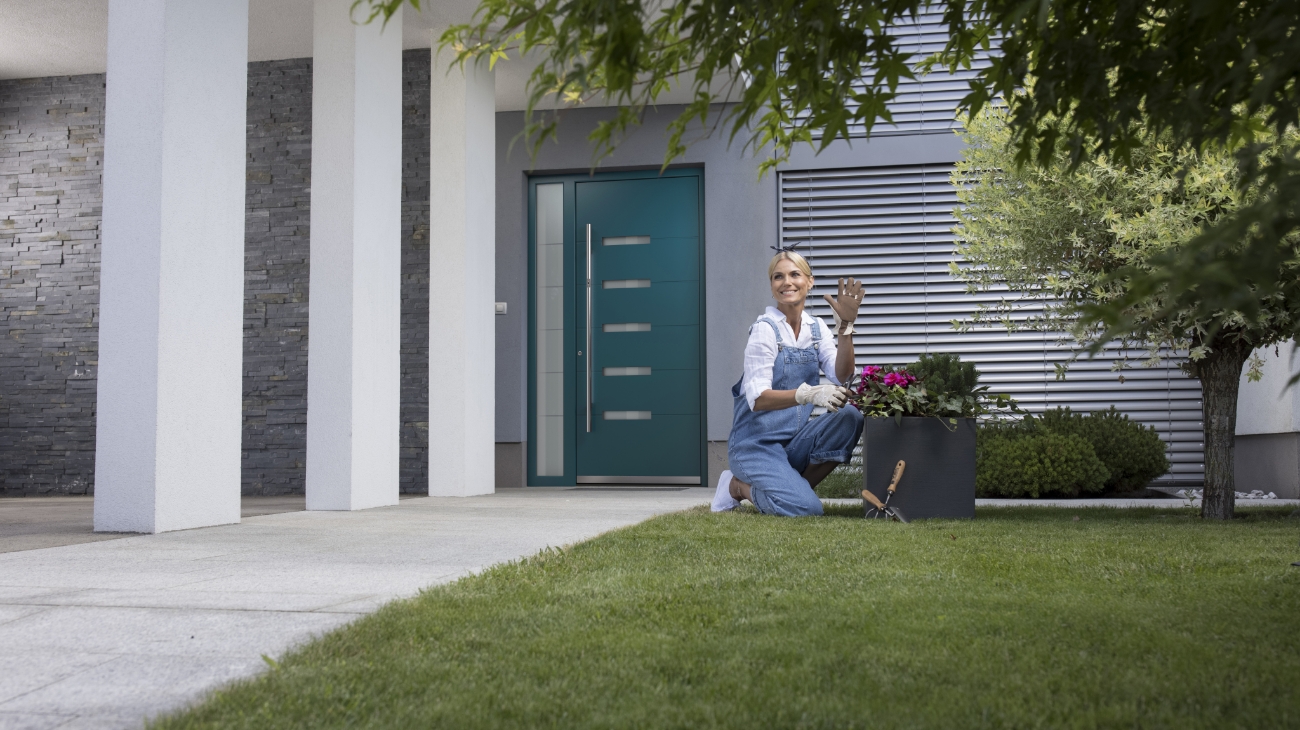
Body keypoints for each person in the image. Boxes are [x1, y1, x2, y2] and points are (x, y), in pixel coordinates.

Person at [712, 248, 865, 516]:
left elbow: (842, 376)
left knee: (850, 417)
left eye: (794, 274)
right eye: (777, 277)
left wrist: (845, 331)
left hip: (791, 444)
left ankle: (792, 490)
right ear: (772, 287)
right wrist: (806, 394)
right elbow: (757, 399)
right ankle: (737, 486)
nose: (786, 282)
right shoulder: (765, 329)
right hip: (754, 446)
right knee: (807, 509)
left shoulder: (816, 328)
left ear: (810, 281)